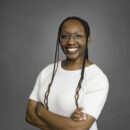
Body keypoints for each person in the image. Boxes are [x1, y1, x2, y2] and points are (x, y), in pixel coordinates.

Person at [25, 16, 109, 130]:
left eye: (78, 36)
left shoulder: (96, 78)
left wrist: (41, 112)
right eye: (64, 36)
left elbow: (79, 128)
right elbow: (29, 116)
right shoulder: (47, 71)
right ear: (59, 40)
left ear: (88, 39)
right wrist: (68, 123)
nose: (71, 41)